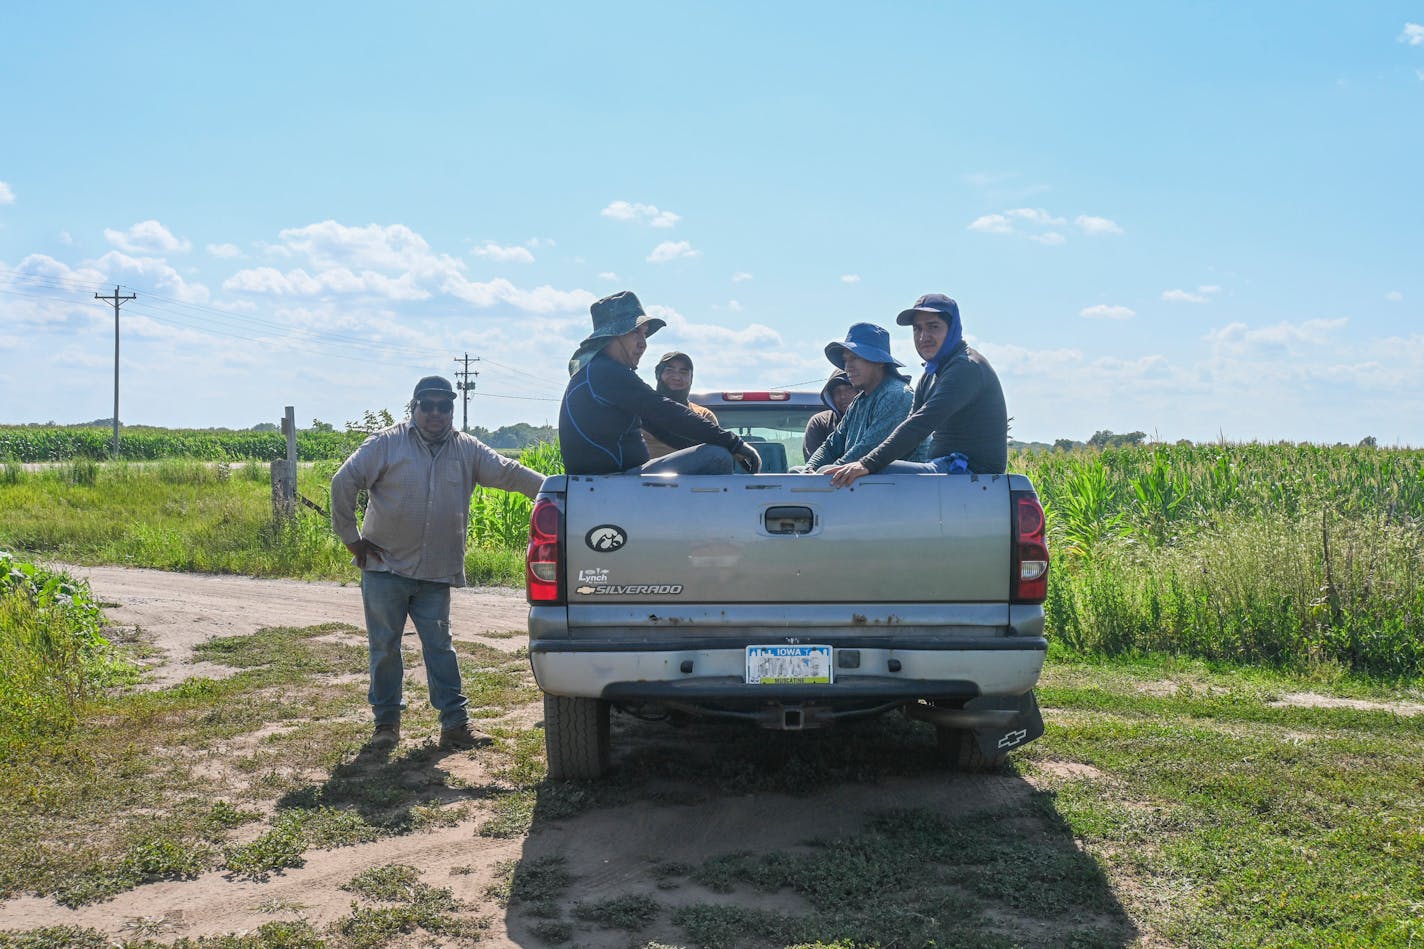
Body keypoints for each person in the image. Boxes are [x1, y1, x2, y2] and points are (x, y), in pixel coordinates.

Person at [331, 375, 545, 754]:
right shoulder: (386, 443)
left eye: (443, 406)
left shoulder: (468, 449)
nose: (435, 413)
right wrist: (352, 539)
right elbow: (343, 482)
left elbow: (510, 474)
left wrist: (560, 489)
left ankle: (455, 726)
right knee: (384, 647)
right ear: (413, 407)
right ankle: (386, 726)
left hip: (435, 571)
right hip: (385, 568)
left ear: (451, 409)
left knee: (440, 648)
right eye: (426, 405)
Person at [560, 291, 761, 476]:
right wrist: (734, 444)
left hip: (612, 480)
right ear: (613, 335)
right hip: (614, 481)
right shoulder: (605, 372)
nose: (643, 343)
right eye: (635, 332)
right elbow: (665, 411)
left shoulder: (597, 372)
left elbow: (661, 426)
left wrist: (719, 442)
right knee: (716, 456)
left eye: (645, 334)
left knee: (715, 450)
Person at [824, 293, 1008, 488]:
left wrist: (866, 464)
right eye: (917, 329)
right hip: (942, 467)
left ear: (952, 328)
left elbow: (921, 424)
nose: (923, 337)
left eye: (933, 327)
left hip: (971, 473)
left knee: (873, 475)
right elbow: (908, 427)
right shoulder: (931, 374)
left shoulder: (966, 367)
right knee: (854, 472)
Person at [797, 323, 925, 472]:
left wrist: (825, 473)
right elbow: (832, 445)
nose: (847, 367)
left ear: (879, 361)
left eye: (855, 358)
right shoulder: (859, 402)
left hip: (900, 488)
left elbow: (868, 450)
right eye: (846, 360)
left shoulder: (897, 394)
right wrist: (809, 469)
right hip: (866, 488)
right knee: (797, 471)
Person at [642, 351, 719, 460]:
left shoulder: (705, 416)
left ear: (691, 378)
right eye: (670, 370)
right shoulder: (638, 410)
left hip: (693, 475)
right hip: (644, 475)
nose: (677, 377)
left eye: (683, 372)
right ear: (657, 374)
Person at [802, 369, 855, 460]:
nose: (842, 396)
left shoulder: (873, 418)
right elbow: (814, 465)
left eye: (848, 389)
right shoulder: (819, 422)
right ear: (831, 396)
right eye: (837, 391)